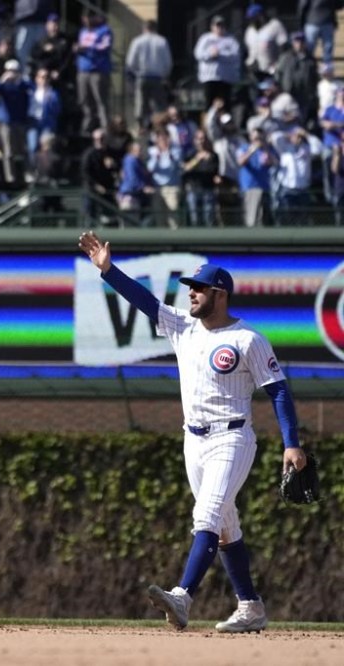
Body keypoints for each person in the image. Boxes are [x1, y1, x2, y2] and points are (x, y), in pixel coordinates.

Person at [77, 231, 307, 634]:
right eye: (190, 287)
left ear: (220, 293)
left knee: (206, 515)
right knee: (225, 527)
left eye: (199, 288)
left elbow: (279, 390)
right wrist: (109, 271)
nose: (191, 293)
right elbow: (145, 301)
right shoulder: (182, 327)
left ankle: (182, 596)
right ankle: (250, 606)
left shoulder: (247, 339)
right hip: (194, 440)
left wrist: (292, 443)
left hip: (232, 438)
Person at [125, 20, 172, 131]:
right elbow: (168, 62)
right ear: (155, 28)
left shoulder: (137, 41)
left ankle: (142, 127)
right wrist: (165, 75)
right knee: (159, 105)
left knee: (141, 104)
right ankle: (159, 127)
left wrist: (136, 72)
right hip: (157, 77)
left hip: (142, 76)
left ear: (144, 28)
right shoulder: (162, 41)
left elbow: (130, 62)